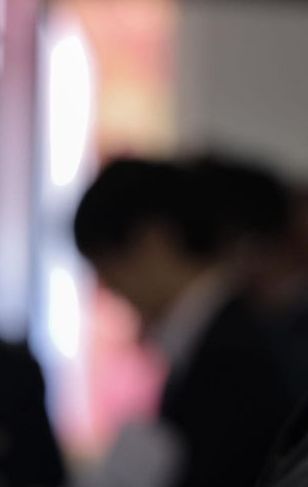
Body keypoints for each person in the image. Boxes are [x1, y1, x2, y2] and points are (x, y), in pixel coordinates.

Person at [74, 158, 300, 487]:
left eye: (106, 265)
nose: (109, 287)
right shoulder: (217, 335)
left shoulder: (233, 353)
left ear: (152, 240)